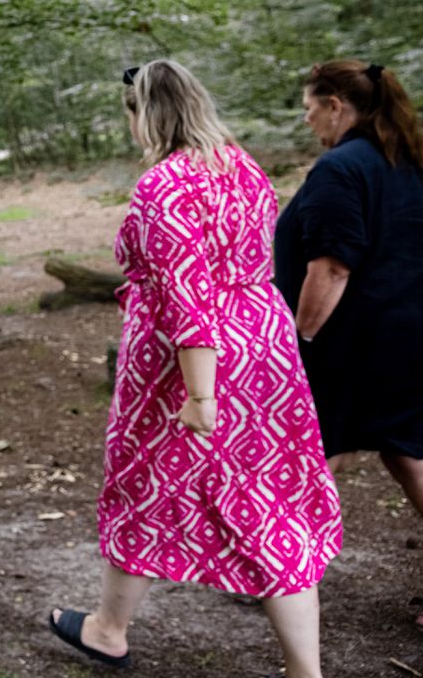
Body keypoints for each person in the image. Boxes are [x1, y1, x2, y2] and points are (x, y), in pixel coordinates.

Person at [48, 61, 342, 677]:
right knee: (269, 499)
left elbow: (188, 294)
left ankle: (110, 630)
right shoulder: (242, 167)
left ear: (143, 115)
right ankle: (300, 669)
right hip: (263, 348)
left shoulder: (165, 185)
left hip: (190, 366)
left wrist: (201, 394)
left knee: (147, 486)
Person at [273, 60, 423, 628]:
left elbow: (332, 267)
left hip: (350, 345)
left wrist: (299, 337)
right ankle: (287, 571)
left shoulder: (341, 167)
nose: (308, 119)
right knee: (407, 453)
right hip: (407, 336)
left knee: (311, 454)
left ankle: (282, 573)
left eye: (310, 107)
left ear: (337, 105)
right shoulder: (406, 159)